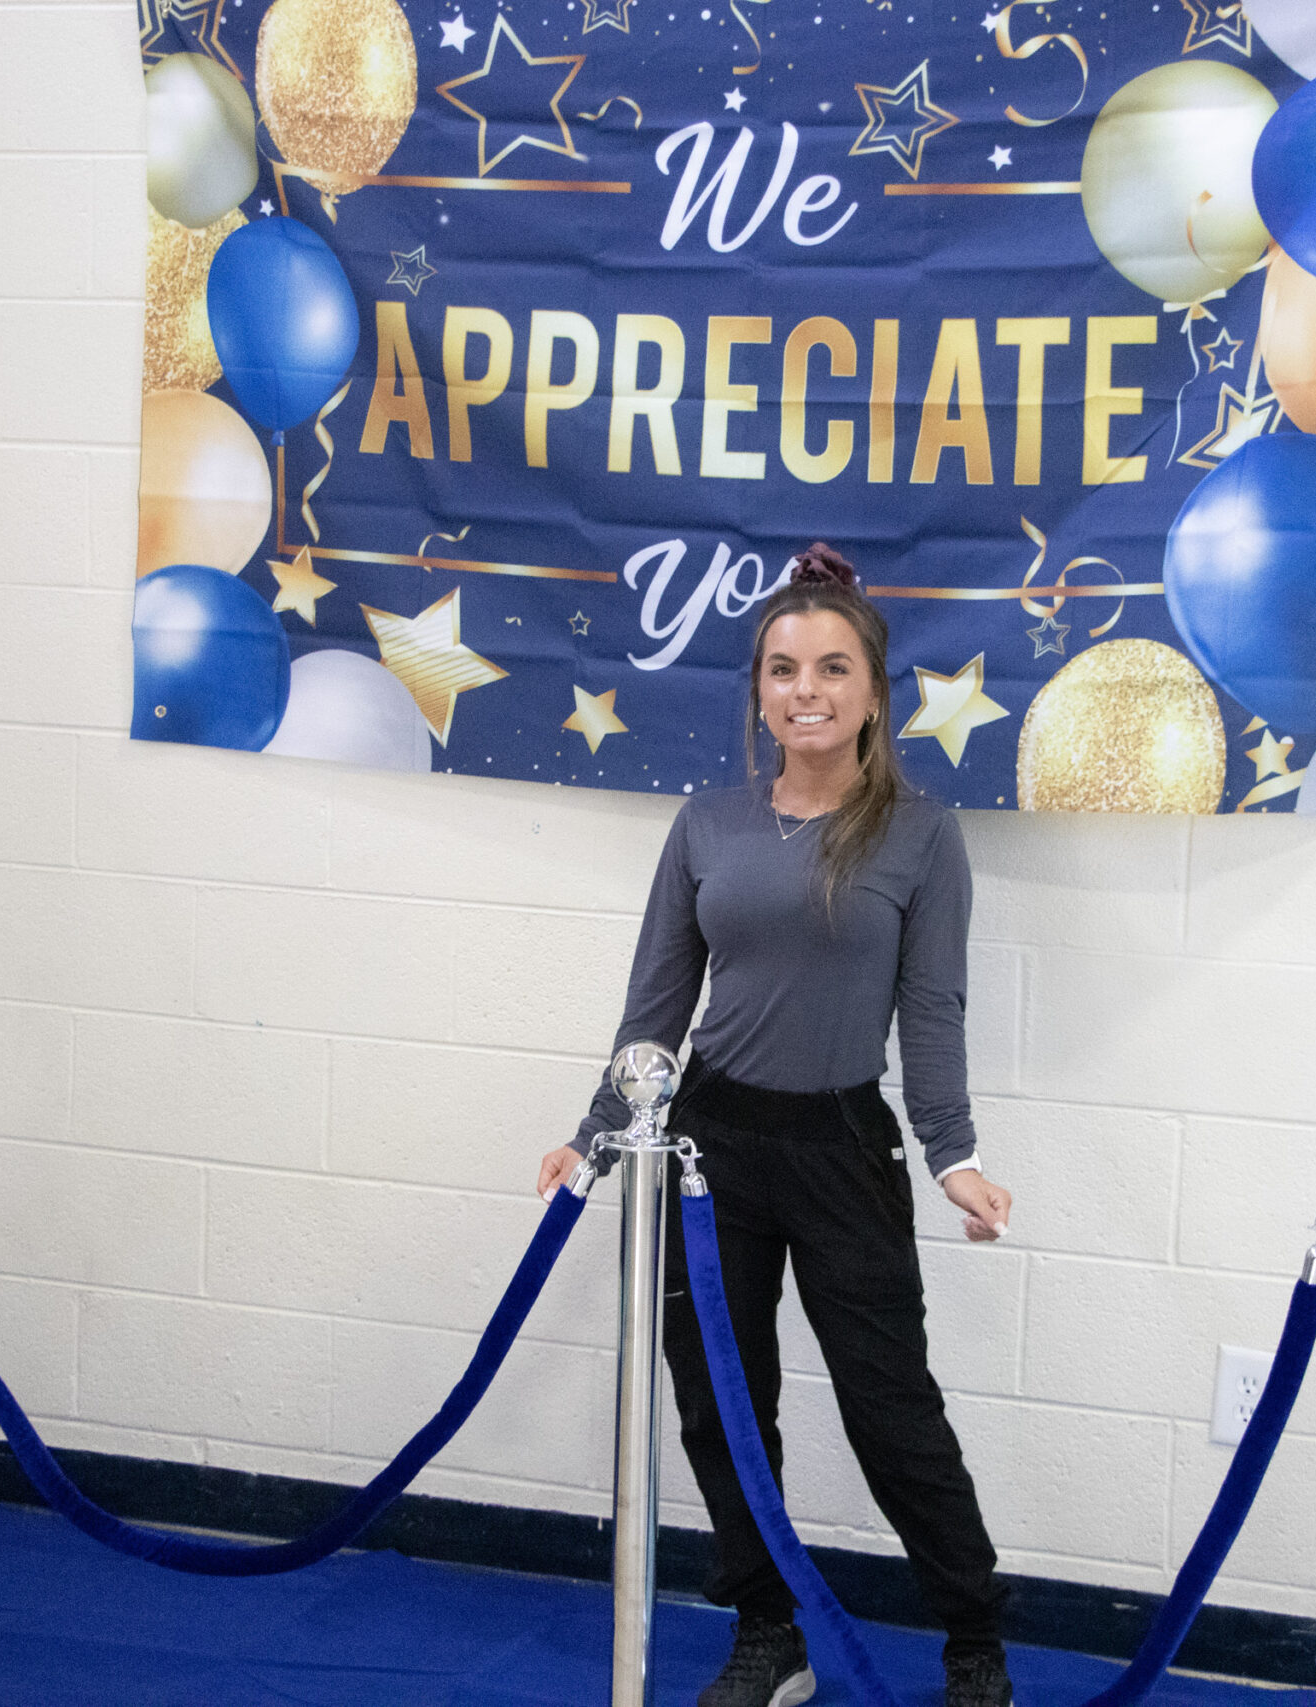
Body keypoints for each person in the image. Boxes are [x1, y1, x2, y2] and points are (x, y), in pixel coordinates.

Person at [535, 544, 1019, 1707]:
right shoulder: (708, 824)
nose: (807, 690)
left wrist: (952, 1154)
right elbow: (656, 1006)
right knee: (721, 1403)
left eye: (832, 667)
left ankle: (974, 1642)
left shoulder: (921, 835)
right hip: (707, 1150)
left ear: (872, 691)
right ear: (758, 690)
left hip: (843, 1145)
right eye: (783, 669)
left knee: (889, 1410)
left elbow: (932, 1010)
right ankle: (767, 1633)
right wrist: (596, 1134)